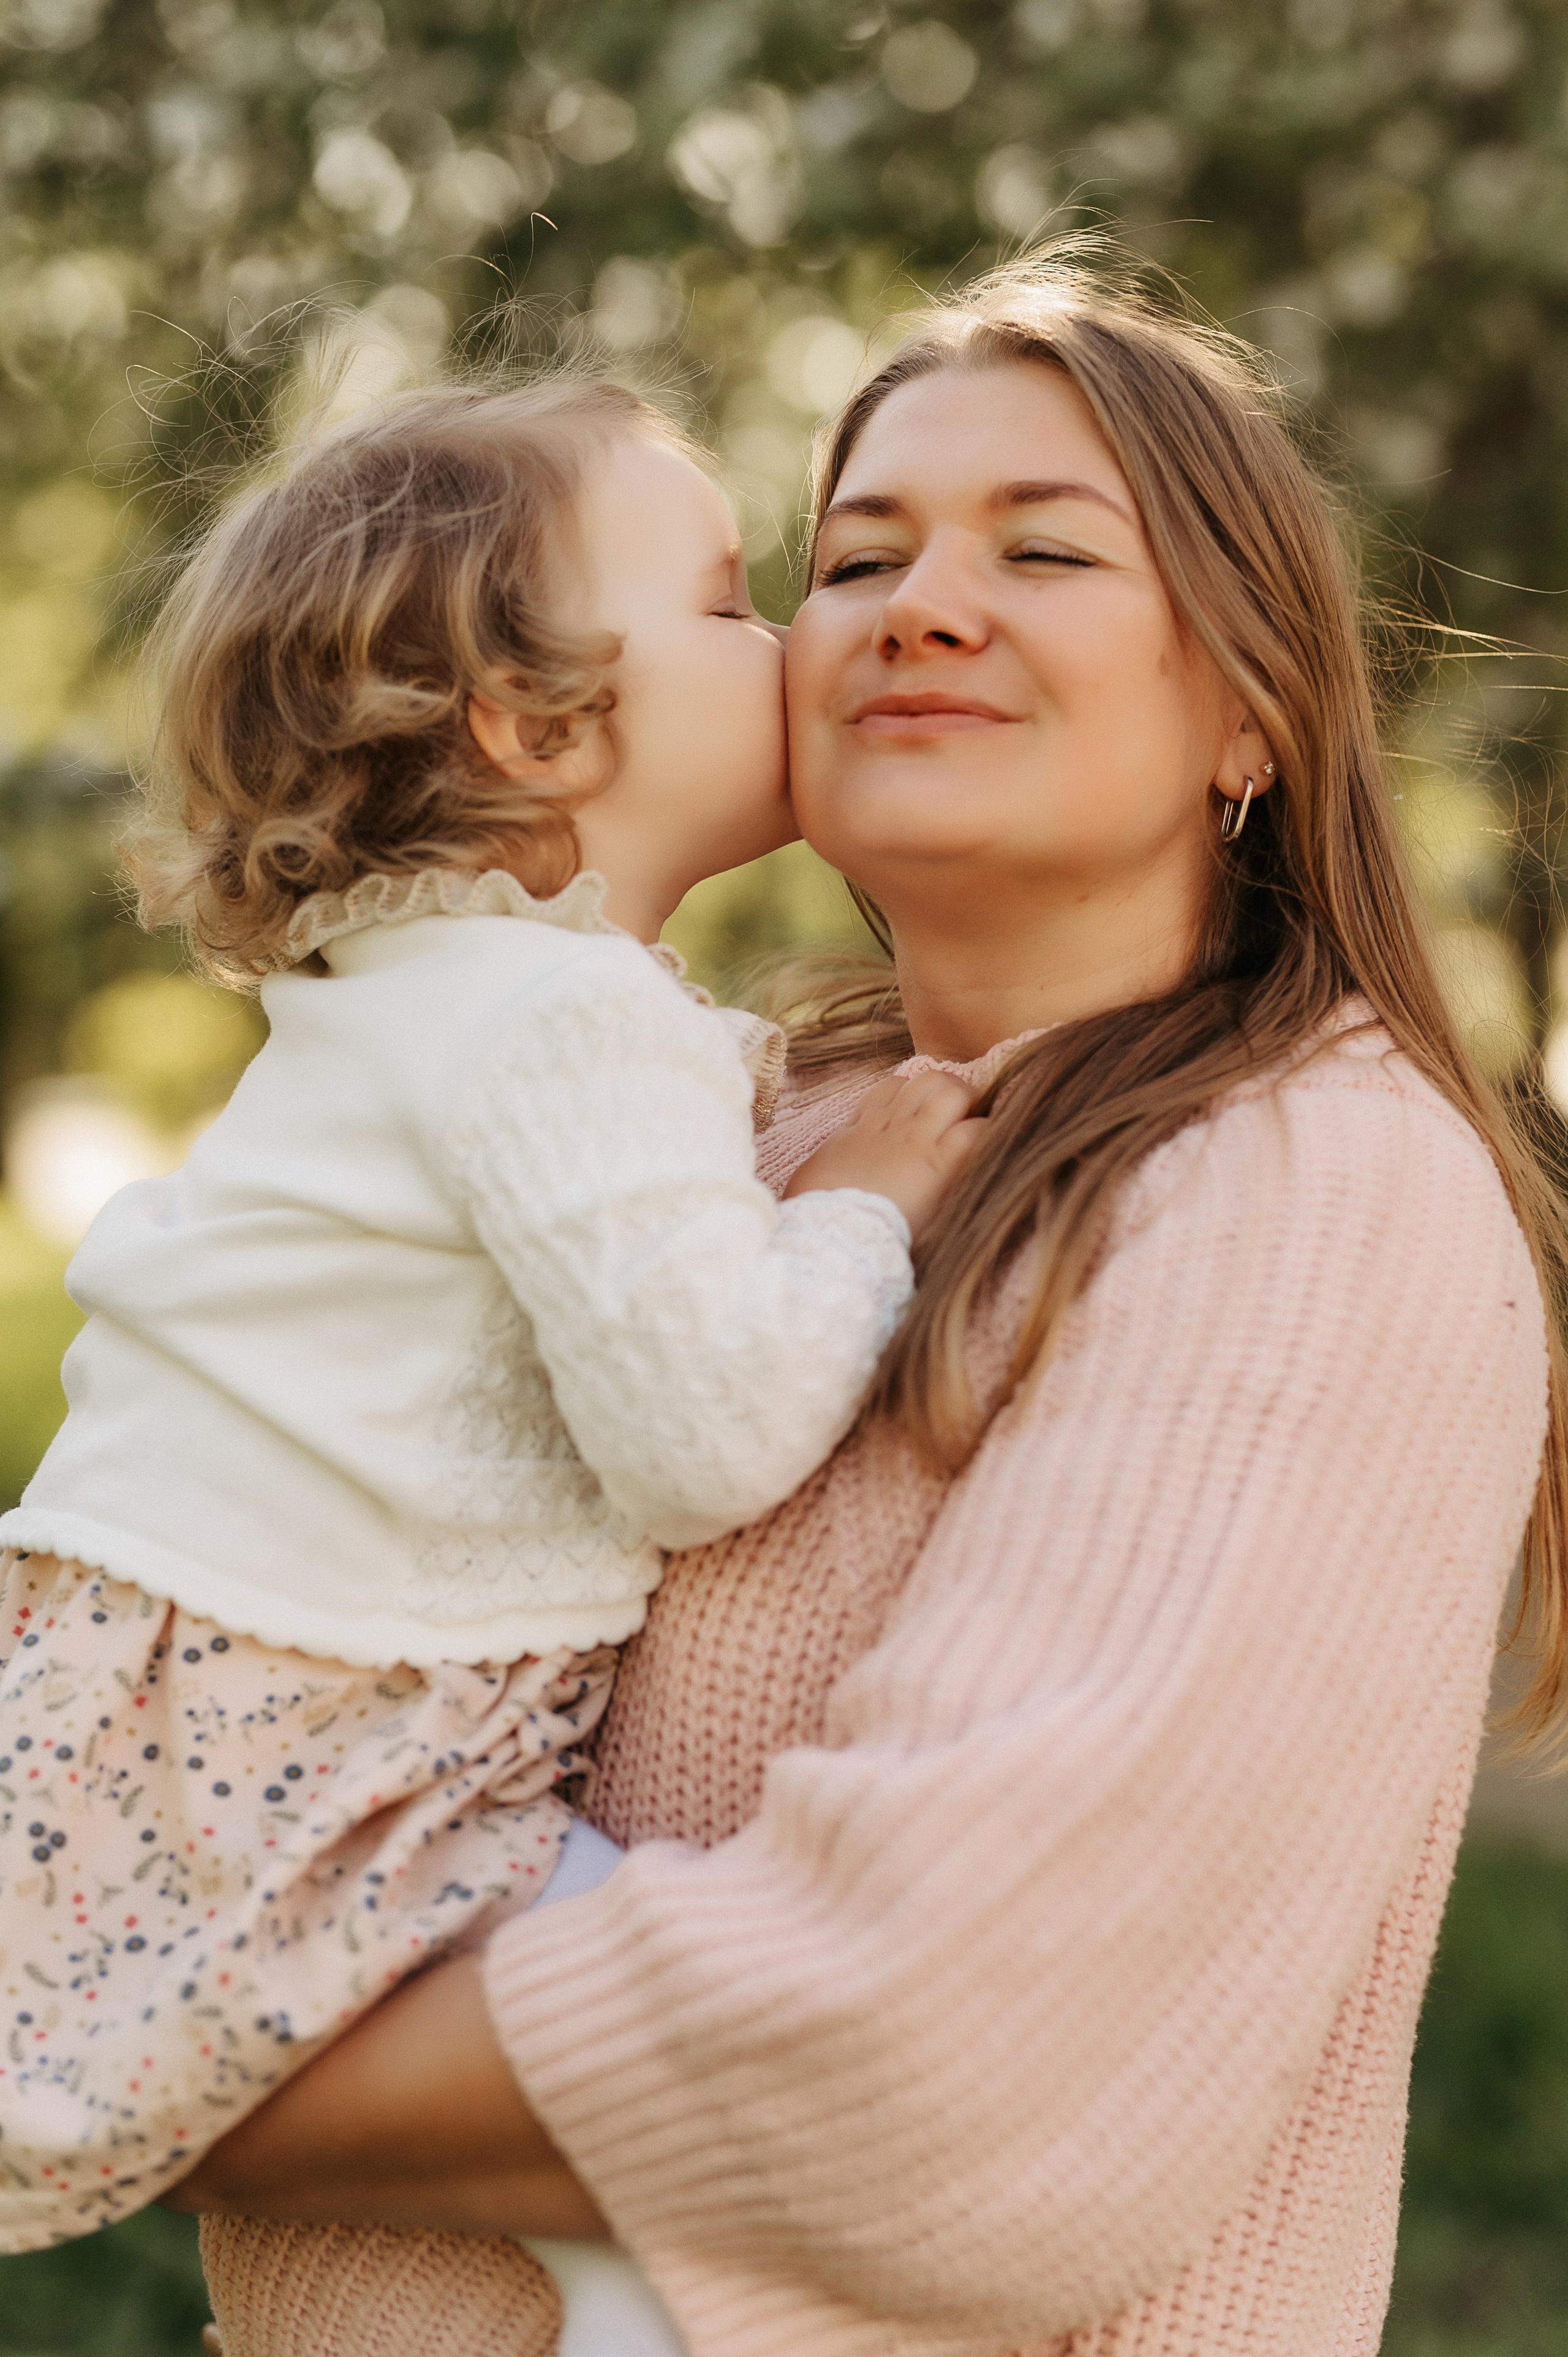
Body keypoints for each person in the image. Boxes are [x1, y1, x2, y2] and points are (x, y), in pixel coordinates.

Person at [180, 250, 1562, 2357]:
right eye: (850, 561)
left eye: (1044, 548)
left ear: (1253, 715)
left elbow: (964, 2055)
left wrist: (170, 2066)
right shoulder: (704, 1146)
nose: (921, 605)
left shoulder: (1308, 1187)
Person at [0, 375, 985, 2337]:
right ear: (536, 725)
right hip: (322, 1746)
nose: (791, 640)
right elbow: (706, 1434)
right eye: (726, 604)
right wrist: (865, 1207)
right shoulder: (561, 1021)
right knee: (732, 2068)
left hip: (198, 1705)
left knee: (649, 2177)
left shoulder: (417, 989)